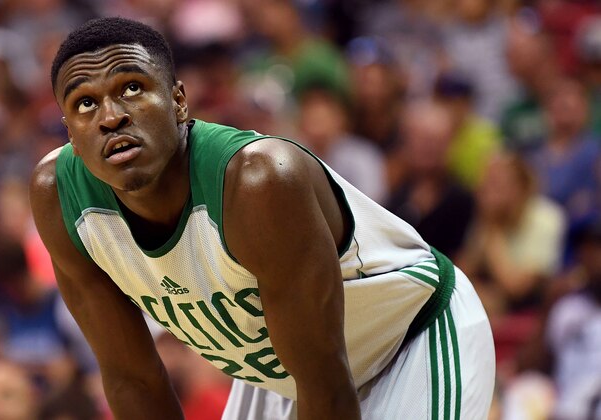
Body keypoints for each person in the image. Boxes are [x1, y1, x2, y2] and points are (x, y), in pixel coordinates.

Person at [29, 17, 495, 419]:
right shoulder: (59, 197)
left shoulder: (258, 181)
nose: (111, 117)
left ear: (178, 101)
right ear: (69, 130)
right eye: (85, 103)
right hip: (287, 370)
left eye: (132, 88)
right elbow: (133, 381)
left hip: (410, 343)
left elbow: (326, 379)